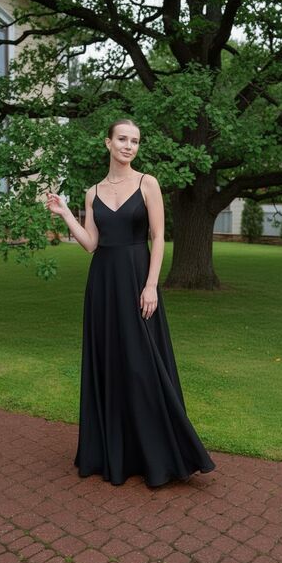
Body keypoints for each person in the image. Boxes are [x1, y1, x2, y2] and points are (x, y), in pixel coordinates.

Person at [46, 118, 216, 487]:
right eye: (122, 139)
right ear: (107, 142)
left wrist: (151, 285)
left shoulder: (147, 183)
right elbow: (91, 244)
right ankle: (115, 454)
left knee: (144, 366)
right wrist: (65, 214)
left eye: (135, 141)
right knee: (111, 365)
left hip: (138, 281)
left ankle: (161, 454)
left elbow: (158, 236)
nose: (129, 146)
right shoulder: (92, 192)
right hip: (103, 286)